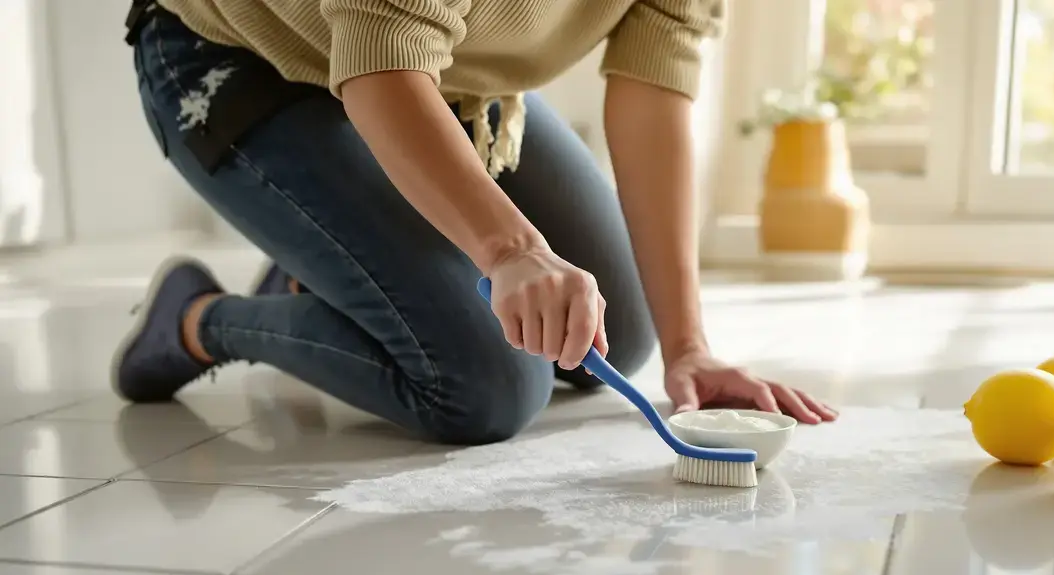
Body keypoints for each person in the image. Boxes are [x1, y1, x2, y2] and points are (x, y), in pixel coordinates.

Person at [113, 0, 838, 444]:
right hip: (239, 55)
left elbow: (654, 92)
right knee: (487, 384)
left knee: (614, 330)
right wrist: (512, 248)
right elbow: (381, 66)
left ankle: (327, 263)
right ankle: (197, 320)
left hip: (439, 69)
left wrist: (690, 346)